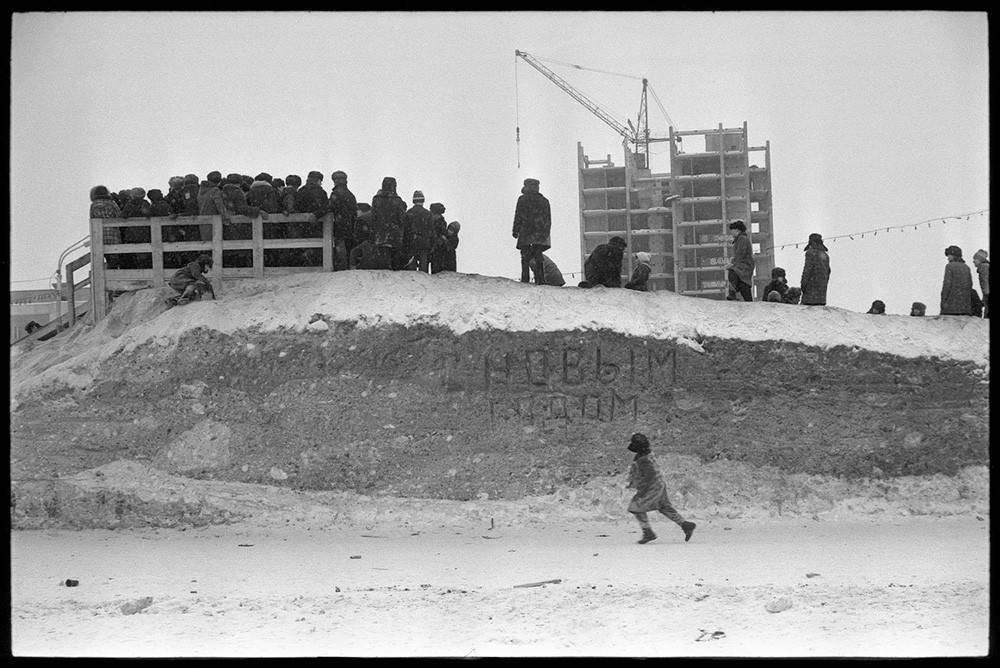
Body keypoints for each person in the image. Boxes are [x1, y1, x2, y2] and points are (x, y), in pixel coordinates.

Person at [625, 433, 696, 545]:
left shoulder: (643, 459)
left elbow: (648, 476)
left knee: (636, 506)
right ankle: (685, 525)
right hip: (659, 484)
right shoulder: (645, 454)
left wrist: (638, 486)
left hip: (651, 487)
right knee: (664, 507)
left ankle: (647, 531)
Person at [512, 178, 552, 285]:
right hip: (539, 233)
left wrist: (515, 230)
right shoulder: (544, 201)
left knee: (525, 256)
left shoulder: (522, 199)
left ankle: (525, 278)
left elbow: (518, 215)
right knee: (538, 254)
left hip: (525, 232)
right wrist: (545, 233)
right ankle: (540, 278)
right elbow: (548, 219)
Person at [370, 176, 407, 270]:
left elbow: (373, 217)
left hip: (380, 232)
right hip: (394, 233)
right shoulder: (397, 200)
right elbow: (401, 219)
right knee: (395, 260)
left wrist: (374, 230)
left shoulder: (376, 199)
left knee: (382, 259)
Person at [328, 171, 358, 270]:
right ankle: (349, 267)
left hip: (339, 225)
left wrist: (315, 214)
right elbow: (354, 212)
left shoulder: (336, 194)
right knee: (348, 247)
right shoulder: (350, 195)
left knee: (340, 248)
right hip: (350, 226)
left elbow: (329, 207)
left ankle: (342, 269)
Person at [725, 220, 754, 302]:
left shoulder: (742, 239)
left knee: (733, 272)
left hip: (744, 265)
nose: (731, 233)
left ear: (737, 229)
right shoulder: (741, 239)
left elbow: (740, 253)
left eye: (732, 230)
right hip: (744, 265)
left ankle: (732, 293)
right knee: (743, 285)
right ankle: (749, 302)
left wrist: (732, 263)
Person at [940, 245, 973, 316]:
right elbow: (970, 284)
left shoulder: (949, 266)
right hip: (965, 305)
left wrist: (944, 299)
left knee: (949, 324)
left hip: (951, 304)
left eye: (949, 255)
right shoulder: (966, 267)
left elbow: (947, 284)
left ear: (953, 255)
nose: (948, 258)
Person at [800, 232, 831, 306]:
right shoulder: (825, 255)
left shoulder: (810, 253)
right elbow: (828, 272)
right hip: (821, 294)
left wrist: (803, 285)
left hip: (810, 294)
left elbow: (807, 270)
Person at [429, 202, 449, 274]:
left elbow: (443, 235)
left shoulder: (442, 223)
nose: (436, 216)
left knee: (436, 268)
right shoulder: (430, 221)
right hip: (431, 246)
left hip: (437, 249)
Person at [972, 249, 989, 318]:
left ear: (980, 260)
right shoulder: (987, 266)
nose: (973, 261)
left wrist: (987, 296)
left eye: (975, 259)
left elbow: (985, 282)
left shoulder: (983, 267)